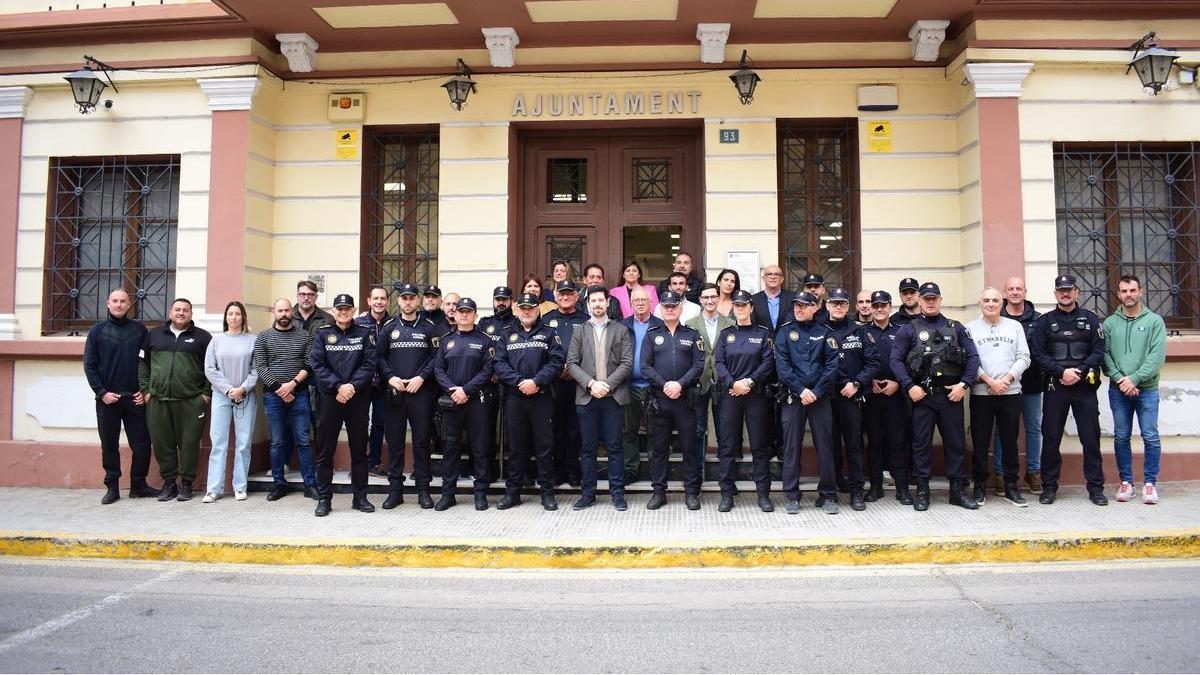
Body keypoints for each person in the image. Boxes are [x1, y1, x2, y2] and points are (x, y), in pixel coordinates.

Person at [889, 282, 981, 512]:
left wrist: (964, 384)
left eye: (934, 298)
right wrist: (909, 386)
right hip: (923, 396)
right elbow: (895, 360)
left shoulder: (957, 328)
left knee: (956, 444)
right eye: (926, 298)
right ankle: (922, 491)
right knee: (920, 445)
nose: (930, 302)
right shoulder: (909, 329)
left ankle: (957, 492)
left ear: (940, 300)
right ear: (919, 301)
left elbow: (973, 357)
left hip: (951, 396)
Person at [1030, 274, 1107, 506]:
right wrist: (1061, 372)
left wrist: (1080, 372)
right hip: (1056, 387)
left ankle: (1095, 488)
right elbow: (1038, 354)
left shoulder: (1091, 319)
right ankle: (1049, 487)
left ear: (1077, 292)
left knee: (1090, 439)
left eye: (1069, 290)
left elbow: (1099, 350)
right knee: (1051, 438)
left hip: (1084, 387)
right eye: (1061, 290)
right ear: (1055, 294)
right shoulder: (1045, 322)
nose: (1065, 294)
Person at [84, 288, 160, 504]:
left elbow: (147, 362)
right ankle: (112, 487)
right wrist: (101, 393)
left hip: (134, 398)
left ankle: (138, 485)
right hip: (108, 399)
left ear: (129, 304)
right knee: (109, 444)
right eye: (115, 301)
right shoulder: (97, 332)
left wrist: (143, 390)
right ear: (108, 304)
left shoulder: (139, 331)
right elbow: (90, 366)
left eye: (123, 301)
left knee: (142, 443)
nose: (118, 304)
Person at [494, 292, 565, 510]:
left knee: (544, 446)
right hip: (515, 397)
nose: (526, 311)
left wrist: (536, 381)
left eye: (531, 308)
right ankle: (513, 492)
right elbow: (499, 363)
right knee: (516, 447)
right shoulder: (506, 334)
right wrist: (519, 382)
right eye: (523, 308)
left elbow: (556, 362)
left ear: (538, 310)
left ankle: (547, 493)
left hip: (541, 397)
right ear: (516, 310)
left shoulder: (549, 333)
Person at [309, 293, 377, 517]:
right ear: (334, 311)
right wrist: (339, 387)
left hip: (357, 398)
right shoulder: (322, 335)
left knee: (359, 451)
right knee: (325, 451)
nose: (343, 312)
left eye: (347, 308)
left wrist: (350, 388)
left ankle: (360, 497)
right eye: (339, 308)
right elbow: (317, 365)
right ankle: (324, 499)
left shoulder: (364, 334)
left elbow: (369, 364)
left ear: (354, 310)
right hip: (331, 398)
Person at [566, 285, 633, 511]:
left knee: (615, 447)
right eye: (592, 301)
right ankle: (588, 494)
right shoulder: (579, 331)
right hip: (587, 397)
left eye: (600, 301)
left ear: (607, 303)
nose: (597, 304)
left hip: (613, 398)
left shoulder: (621, 330)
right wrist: (592, 384)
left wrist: (607, 385)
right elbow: (572, 363)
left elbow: (627, 363)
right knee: (587, 448)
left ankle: (617, 494)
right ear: (588, 304)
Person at [139, 298, 212, 502]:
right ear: (170, 312)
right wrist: (146, 390)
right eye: (177, 309)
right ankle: (169, 483)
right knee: (163, 443)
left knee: (189, 443)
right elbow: (143, 364)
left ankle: (186, 484)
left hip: (191, 401)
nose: (181, 313)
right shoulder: (153, 335)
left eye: (185, 310)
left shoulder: (202, 338)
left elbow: (211, 368)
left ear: (191, 313)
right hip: (158, 400)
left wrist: (205, 394)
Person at [1103, 274, 1167, 505]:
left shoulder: (1154, 321)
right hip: (1118, 390)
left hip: (1147, 390)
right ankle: (1126, 482)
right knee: (1121, 436)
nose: (1128, 295)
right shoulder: (1110, 323)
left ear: (1140, 292)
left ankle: (1150, 484)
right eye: (1124, 291)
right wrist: (1122, 379)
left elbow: (1156, 356)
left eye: (1132, 290)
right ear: (1118, 294)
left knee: (1150, 436)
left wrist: (1135, 379)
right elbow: (1106, 355)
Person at [775, 292, 839, 515]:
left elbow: (832, 366)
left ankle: (828, 495)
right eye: (796, 305)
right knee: (791, 447)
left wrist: (816, 391)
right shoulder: (784, 332)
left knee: (825, 446)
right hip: (794, 396)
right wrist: (801, 390)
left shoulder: (825, 333)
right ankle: (792, 495)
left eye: (804, 306)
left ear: (815, 307)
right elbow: (782, 367)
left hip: (819, 398)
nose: (798, 309)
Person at [376, 283, 439, 510]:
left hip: (420, 392)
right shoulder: (388, 327)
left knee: (422, 442)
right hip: (395, 393)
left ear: (418, 300)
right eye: (404, 298)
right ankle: (395, 491)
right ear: (399, 301)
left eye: (412, 298)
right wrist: (390, 377)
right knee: (395, 443)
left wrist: (421, 378)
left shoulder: (429, 328)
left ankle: (423, 490)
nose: (408, 302)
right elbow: (379, 357)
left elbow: (436, 359)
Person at [640, 290, 705, 510]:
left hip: (685, 400)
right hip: (660, 400)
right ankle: (659, 492)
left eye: (673, 306)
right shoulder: (652, 334)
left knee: (689, 447)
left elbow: (698, 365)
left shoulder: (692, 334)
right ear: (661, 309)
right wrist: (665, 384)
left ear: (680, 308)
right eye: (666, 306)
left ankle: (691, 492)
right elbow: (645, 366)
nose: (670, 309)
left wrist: (680, 384)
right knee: (659, 449)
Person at [966, 287, 1031, 507]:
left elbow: (1024, 356)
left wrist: (1007, 379)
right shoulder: (970, 328)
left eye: (995, 300)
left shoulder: (1015, 326)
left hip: (1010, 393)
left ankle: (1012, 487)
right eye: (987, 300)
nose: (991, 304)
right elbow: (969, 360)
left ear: (1001, 303)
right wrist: (989, 381)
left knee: (1010, 442)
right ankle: (980, 487)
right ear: (980, 303)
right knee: (981, 443)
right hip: (982, 394)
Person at [714, 290, 775, 511]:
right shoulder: (726, 334)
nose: (740, 308)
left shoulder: (762, 333)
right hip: (731, 396)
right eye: (737, 305)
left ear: (751, 308)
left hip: (755, 396)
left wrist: (749, 382)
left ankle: (763, 494)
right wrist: (733, 384)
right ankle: (726, 494)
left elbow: (768, 363)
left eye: (744, 305)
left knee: (759, 446)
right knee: (728, 446)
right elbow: (718, 362)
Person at [433, 297, 496, 511]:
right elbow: (438, 369)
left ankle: (480, 494)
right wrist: (453, 390)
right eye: (460, 311)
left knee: (479, 448)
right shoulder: (446, 340)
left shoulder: (485, 340)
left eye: (468, 311)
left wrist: (465, 390)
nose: (464, 315)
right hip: (452, 403)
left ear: (475, 315)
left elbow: (488, 371)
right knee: (450, 449)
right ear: (455, 314)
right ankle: (448, 494)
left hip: (476, 402)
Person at [253, 299, 319, 501]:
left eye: (287, 310)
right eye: (280, 310)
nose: (284, 313)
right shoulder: (263, 337)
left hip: (298, 394)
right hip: (273, 396)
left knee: (303, 441)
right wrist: (280, 388)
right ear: (274, 312)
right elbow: (261, 367)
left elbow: (309, 363)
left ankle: (310, 485)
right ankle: (279, 484)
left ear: (293, 311)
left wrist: (292, 384)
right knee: (277, 443)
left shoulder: (305, 336)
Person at [824, 287, 881, 510]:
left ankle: (857, 490)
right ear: (827, 305)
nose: (838, 307)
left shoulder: (859, 332)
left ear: (849, 307)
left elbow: (873, 362)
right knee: (829, 445)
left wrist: (856, 383)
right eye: (834, 303)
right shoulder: (820, 331)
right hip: (827, 397)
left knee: (854, 444)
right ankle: (831, 488)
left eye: (842, 303)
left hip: (851, 396)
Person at [202, 301, 258, 503]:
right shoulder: (216, 341)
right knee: (219, 442)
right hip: (221, 396)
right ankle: (214, 489)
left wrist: (242, 389)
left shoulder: (253, 340)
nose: (233, 317)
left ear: (243, 317)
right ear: (226, 318)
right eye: (230, 314)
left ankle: (240, 486)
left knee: (243, 443)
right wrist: (228, 389)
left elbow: (256, 369)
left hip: (245, 396)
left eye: (237, 314)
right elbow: (210, 369)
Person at [863, 291, 912, 504]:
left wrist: (899, 384)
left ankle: (902, 487)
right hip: (872, 395)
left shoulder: (903, 331)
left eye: (883, 305)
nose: (879, 309)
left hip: (896, 395)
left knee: (898, 442)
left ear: (890, 307)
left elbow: (911, 362)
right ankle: (875, 487)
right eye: (876, 305)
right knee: (874, 441)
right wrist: (868, 382)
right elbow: (858, 362)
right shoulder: (862, 332)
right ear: (871, 309)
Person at [998, 276, 1044, 495]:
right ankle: (1000, 473)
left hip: (1032, 384)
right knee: (1003, 431)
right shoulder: (996, 317)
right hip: (1004, 385)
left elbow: (1043, 351)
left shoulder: (1039, 320)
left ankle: (1034, 472)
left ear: (1025, 292)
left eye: (1019, 288)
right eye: (1011, 288)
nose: (1015, 292)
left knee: (1034, 429)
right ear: (1004, 293)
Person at [687, 283, 733, 488]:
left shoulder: (730, 323)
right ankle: (696, 481)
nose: (709, 301)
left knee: (725, 433)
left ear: (718, 297)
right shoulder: (690, 324)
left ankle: (727, 483)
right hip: (698, 383)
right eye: (705, 297)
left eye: (713, 297)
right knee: (697, 432)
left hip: (723, 383)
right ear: (700, 300)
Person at [543, 280, 588, 486]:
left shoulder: (585, 320)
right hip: (553, 383)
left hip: (578, 383)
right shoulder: (546, 320)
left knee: (575, 430)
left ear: (576, 296)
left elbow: (590, 351)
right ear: (555, 296)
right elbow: (541, 350)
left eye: (569, 293)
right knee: (555, 429)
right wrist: (557, 369)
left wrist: (575, 370)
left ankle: (573, 472)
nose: (565, 297)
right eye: (561, 294)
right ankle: (557, 472)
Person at [620, 285, 664, 485]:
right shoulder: (622, 326)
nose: (639, 303)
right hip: (628, 386)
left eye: (643, 300)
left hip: (652, 387)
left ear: (651, 303)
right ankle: (630, 470)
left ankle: (656, 471)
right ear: (630, 304)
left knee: (655, 432)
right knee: (629, 431)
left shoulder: (660, 325)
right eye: (636, 300)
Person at [356, 285, 391, 478]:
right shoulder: (358, 323)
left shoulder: (393, 323)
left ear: (387, 301)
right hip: (362, 383)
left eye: (382, 299)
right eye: (375, 298)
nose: (379, 302)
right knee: (360, 424)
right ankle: (359, 464)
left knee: (379, 424)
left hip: (384, 384)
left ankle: (374, 463)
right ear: (369, 301)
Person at [751, 264, 795, 331]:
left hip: (787, 340)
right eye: (769, 274)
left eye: (776, 274)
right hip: (762, 340)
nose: (773, 277)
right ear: (763, 279)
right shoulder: (754, 299)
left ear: (782, 279)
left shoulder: (792, 298)